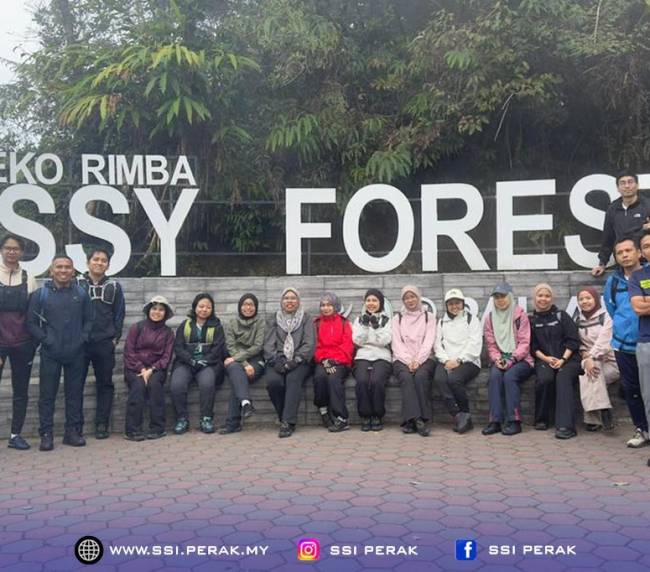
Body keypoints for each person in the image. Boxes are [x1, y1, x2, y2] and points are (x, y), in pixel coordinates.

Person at [26, 255, 93, 451]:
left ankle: (72, 432)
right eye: (59, 267)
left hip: (76, 352)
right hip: (51, 352)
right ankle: (46, 434)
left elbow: (89, 320)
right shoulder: (40, 294)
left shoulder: (81, 293)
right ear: (52, 270)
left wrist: (82, 339)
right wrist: (46, 340)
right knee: (47, 395)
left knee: (75, 394)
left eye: (67, 267)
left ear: (73, 270)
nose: (63, 270)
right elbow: (30, 323)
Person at [604, 236, 649, 447]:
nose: (624, 255)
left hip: (647, 342)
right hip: (624, 345)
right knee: (632, 391)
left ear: (639, 253)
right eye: (620, 253)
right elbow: (612, 309)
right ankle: (642, 429)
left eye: (628, 250)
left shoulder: (646, 275)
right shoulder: (613, 282)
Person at [77, 248, 125, 439]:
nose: (99, 263)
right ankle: (75, 426)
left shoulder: (114, 286)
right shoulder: (76, 283)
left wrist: (115, 338)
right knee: (75, 384)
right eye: (95, 259)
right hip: (80, 343)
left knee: (105, 384)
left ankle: (102, 424)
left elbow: (119, 313)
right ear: (88, 262)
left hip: (104, 342)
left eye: (103, 260)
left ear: (108, 265)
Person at [0, 234, 38, 450]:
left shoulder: (28, 278)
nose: (11, 251)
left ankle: (15, 435)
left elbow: (33, 314)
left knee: (21, 391)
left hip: (23, 344)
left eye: (15, 248)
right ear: (2, 250)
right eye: (8, 248)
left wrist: (33, 342)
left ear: (21, 252)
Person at [530, 283, 582, 440]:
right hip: (545, 360)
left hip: (569, 360)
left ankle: (566, 426)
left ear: (551, 298)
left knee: (562, 377)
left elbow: (573, 340)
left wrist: (563, 359)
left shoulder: (562, 316)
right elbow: (532, 346)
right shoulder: (532, 320)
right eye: (540, 295)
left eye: (547, 296)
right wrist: (546, 359)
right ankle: (541, 419)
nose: (543, 299)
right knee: (545, 379)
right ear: (535, 298)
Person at [170, 293, 226, 435]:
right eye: (201, 306)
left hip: (207, 364)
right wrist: (191, 360)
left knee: (207, 384)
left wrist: (204, 361)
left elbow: (218, 349)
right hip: (186, 363)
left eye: (208, 307)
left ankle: (206, 419)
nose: (204, 310)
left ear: (212, 309)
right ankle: (182, 419)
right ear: (195, 307)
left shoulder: (217, 326)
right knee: (177, 384)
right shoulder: (185, 325)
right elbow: (178, 347)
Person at [263, 288, 315, 438]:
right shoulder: (273, 318)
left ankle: (287, 422)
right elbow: (268, 343)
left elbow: (309, 343)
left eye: (293, 298)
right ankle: (283, 416)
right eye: (286, 298)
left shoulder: (306, 318)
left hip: (300, 361)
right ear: (281, 301)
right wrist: (275, 360)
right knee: (274, 382)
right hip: (277, 359)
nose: (289, 301)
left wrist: (295, 360)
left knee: (293, 379)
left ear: (298, 301)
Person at [482, 283, 533, 436]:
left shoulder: (520, 315)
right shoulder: (490, 318)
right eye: (497, 297)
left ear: (510, 296)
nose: (500, 300)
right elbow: (491, 345)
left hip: (521, 360)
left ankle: (514, 421)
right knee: (495, 376)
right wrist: (497, 359)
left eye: (503, 296)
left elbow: (525, 343)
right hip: (501, 359)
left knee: (510, 376)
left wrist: (511, 359)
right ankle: (495, 421)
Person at [123, 296, 175, 441]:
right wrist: (141, 369)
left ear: (165, 313)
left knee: (155, 385)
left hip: (157, 369)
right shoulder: (136, 328)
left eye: (161, 310)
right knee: (138, 386)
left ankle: (158, 428)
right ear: (148, 310)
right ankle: (132, 430)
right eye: (154, 308)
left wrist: (152, 369)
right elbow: (129, 352)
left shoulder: (168, 333)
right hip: (134, 368)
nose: (157, 312)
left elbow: (166, 357)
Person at [434, 288, 482, 433]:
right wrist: (446, 360)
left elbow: (475, 344)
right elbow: (437, 345)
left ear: (463, 303)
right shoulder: (442, 322)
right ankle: (459, 416)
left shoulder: (472, 319)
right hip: (446, 361)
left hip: (469, 361)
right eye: (451, 303)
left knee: (454, 379)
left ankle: (465, 413)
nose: (454, 306)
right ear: (446, 305)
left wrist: (459, 360)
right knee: (440, 379)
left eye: (457, 303)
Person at [391, 285, 436, 437]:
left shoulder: (429, 317)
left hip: (425, 358)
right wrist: (409, 360)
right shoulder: (397, 319)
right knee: (406, 378)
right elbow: (396, 344)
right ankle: (418, 420)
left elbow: (429, 341)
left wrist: (418, 360)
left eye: (412, 297)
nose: (410, 300)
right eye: (406, 298)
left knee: (420, 377)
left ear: (418, 297)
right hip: (401, 359)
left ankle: (412, 421)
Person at [575, 286, 618, 431]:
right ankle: (604, 410)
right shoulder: (578, 320)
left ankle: (593, 419)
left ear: (596, 299)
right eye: (581, 299)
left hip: (611, 361)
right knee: (593, 371)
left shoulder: (606, 316)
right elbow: (580, 345)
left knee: (591, 373)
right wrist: (586, 357)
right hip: (590, 360)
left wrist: (590, 357)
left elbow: (604, 342)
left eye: (588, 298)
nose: (584, 301)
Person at [221, 293, 265, 434]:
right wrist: (245, 363)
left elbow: (257, 346)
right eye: (245, 304)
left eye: (251, 305)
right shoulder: (232, 323)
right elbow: (231, 347)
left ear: (256, 307)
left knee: (237, 378)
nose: (248, 307)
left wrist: (240, 360)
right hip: (237, 361)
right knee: (237, 372)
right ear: (240, 306)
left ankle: (233, 423)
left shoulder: (260, 322)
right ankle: (246, 403)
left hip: (256, 360)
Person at [592, 170, 650, 277]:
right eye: (623, 183)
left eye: (630, 182)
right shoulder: (612, 209)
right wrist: (602, 264)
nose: (627, 186)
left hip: (645, 263)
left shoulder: (647, 205)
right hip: (623, 265)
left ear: (637, 185)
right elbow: (608, 238)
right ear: (618, 188)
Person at [313, 292, 354, 432]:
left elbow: (348, 346)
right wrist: (324, 360)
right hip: (322, 361)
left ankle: (342, 418)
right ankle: (323, 411)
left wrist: (334, 360)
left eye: (329, 305)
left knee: (333, 378)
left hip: (340, 361)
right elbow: (315, 346)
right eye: (323, 305)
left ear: (335, 306)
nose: (326, 308)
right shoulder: (317, 324)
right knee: (320, 377)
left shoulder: (344, 323)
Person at [352, 288, 391, 432]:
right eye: (368, 300)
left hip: (382, 356)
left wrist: (375, 327)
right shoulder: (359, 320)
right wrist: (364, 326)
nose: (371, 303)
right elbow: (357, 341)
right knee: (362, 381)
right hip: (363, 355)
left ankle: (377, 415)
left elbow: (385, 341)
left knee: (376, 381)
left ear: (380, 303)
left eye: (375, 300)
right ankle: (365, 415)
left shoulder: (387, 320)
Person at [629, 230, 650, 463]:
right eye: (646, 246)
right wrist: (643, 303)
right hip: (646, 342)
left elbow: (645, 304)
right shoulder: (637, 277)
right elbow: (638, 307)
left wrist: (647, 300)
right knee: (649, 396)